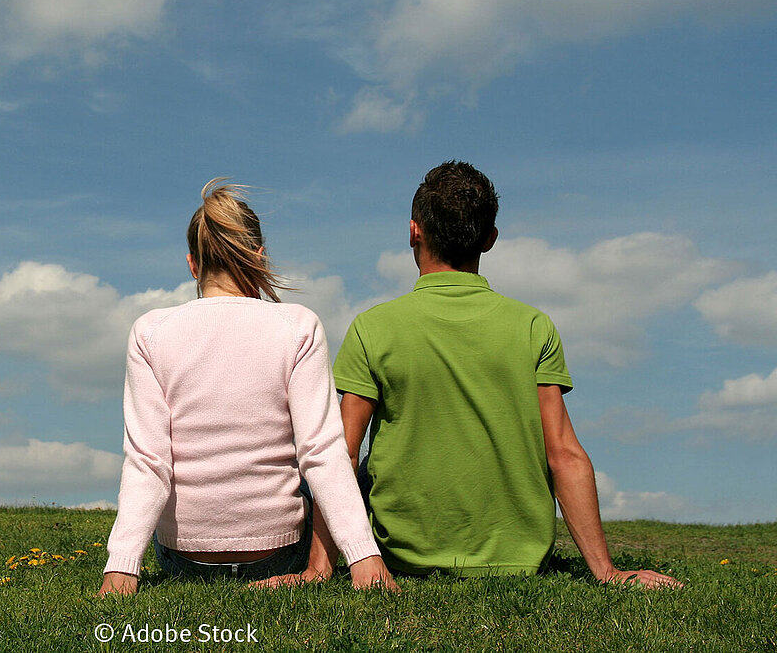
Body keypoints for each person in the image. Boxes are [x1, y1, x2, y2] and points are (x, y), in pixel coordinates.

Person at [290, 161, 683, 588]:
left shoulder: (373, 328)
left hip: (405, 557)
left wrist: (318, 569)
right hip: (520, 562)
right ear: (490, 239)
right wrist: (608, 572)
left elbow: (341, 455)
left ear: (413, 231)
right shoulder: (534, 327)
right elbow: (564, 454)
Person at [99, 179, 397, 596]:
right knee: (320, 462)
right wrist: (364, 556)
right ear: (259, 257)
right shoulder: (298, 325)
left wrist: (122, 566)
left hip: (186, 560)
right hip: (276, 554)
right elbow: (322, 451)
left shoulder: (150, 332)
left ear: (192, 265)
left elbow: (148, 460)